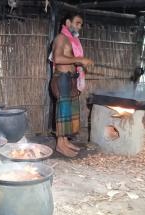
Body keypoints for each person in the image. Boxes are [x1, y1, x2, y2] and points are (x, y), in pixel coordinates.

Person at [50, 13, 94, 157]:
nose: (79, 26)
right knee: (63, 112)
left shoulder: (72, 40)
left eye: (81, 24)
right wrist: (80, 59)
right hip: (61, 78)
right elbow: (57, 58)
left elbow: (70, 59)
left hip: (70, 79)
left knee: (68, 112)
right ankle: (60, 145)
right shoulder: (61, 38)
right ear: (68, 23)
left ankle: (65, 141)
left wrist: (80, 61)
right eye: (77, 23)